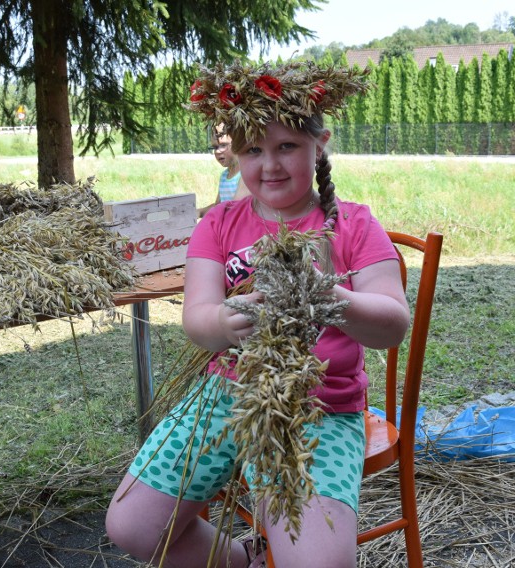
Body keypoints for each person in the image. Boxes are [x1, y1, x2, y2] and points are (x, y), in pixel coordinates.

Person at [106, 60, 411, 568]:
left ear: (320, 145)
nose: (269, 165)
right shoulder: (218, 224)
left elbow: (392, 321)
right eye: (253, 151)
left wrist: (331, 298)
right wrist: (225, 322)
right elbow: (197, 318)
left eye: (286, 146)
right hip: (225, 394)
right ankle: (241, 560)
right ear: (235, 155)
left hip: (321, 408)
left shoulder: (353, 224)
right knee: (132, 526)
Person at [198, 124, 250, 218]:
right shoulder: (224, 176)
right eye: (215, 147)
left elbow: (236, 209)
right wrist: (199, 212)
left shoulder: (245, 173)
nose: (218, 151)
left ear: (238, 144)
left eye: (223, 145)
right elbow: (218, 206)